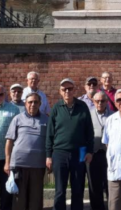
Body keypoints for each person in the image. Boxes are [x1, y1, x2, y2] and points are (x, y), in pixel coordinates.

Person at [46, 78, 94, 210]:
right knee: (60, 190)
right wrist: (48, 155)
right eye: (64, 89)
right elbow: (50, 133)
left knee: (77, 189)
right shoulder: (56, 108)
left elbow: (89, 131)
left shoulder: (82, 107)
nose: (67, 91)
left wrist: (90, 151)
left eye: (70, 89)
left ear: (74, 90)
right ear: (60, 91)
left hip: (79, 153)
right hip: (59, 154)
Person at [5, 92, 49, 210]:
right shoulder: (17, 119)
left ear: (40, 104)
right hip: (19, 164)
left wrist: (50, 159)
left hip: (38, 165)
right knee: (19, 198)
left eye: (35, 102)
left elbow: (50, 142)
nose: (33, 104)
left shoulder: (46, 120)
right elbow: (9, 142)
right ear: (25, 103)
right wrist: (7, 163)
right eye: (30, 102)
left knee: (36, 199)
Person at [88, 91, 113, 210]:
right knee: (94, 185)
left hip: (109, 155)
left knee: (110, 184)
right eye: (97, 101)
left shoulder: (114, 116)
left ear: (107, 102)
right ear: (93, 102)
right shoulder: (88, 115)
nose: (100, 103)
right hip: (93, 154)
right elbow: (83, 135)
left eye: (102, 101)